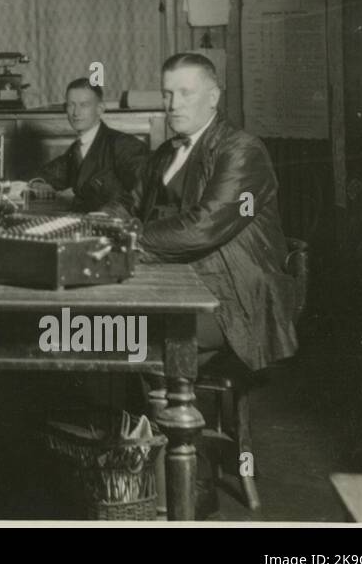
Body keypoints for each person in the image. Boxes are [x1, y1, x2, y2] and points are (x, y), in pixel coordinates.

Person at [120, 53, 301, 372]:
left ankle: (159, 415)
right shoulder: (166, 152)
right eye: (167, 93)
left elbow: (202, 227)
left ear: (213, 97)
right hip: (181, 277)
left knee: (122, 335)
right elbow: (129, 202)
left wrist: (126, 239)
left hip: (234, 292)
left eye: (186, 93)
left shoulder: (242, 150)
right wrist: (93, 223)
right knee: (105, 326)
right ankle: (143, 414)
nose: (173, 104)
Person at [32, 78, 147, 212]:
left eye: (84, 105)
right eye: (71, 105)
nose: (76, 112)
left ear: (100, 109)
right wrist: (38, 184)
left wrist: (106, 216)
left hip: (113, 225)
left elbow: (142, 193)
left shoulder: (124, 145)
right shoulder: (75, 149)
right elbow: (47, 174)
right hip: (83, 225)